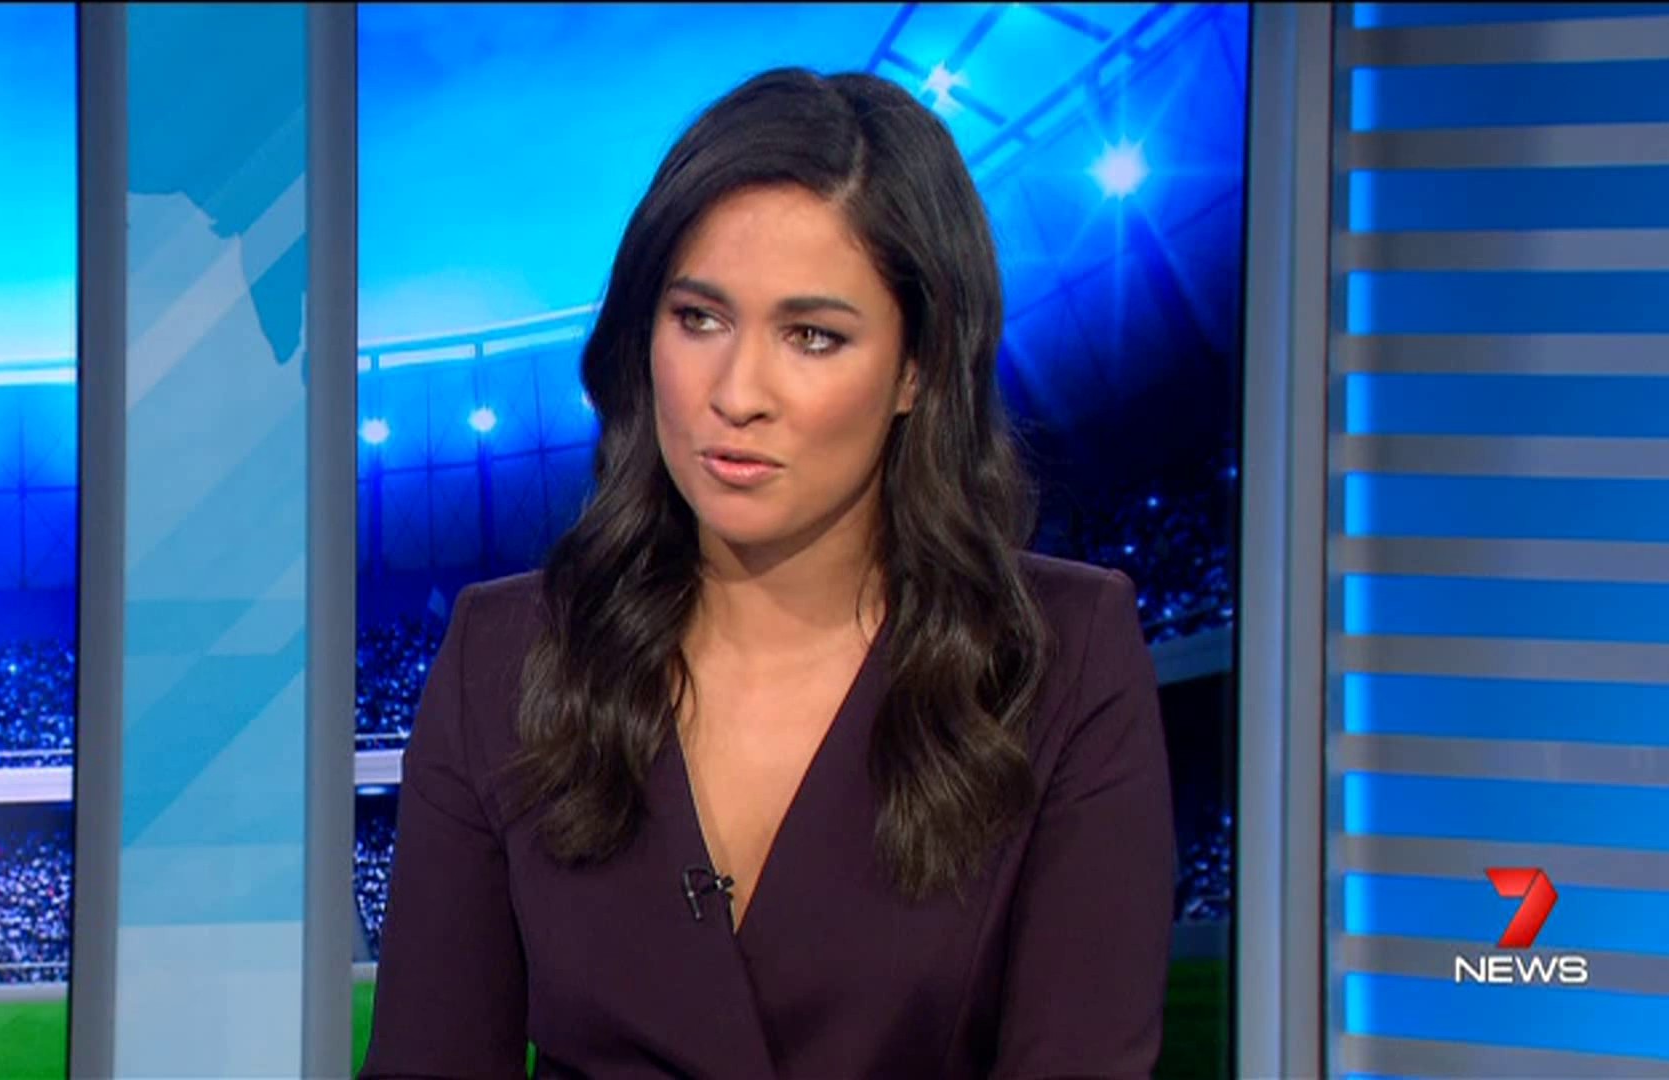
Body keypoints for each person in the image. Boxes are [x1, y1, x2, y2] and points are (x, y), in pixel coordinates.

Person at [360, 66, 1175, 1080]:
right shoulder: (504, 658)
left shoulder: (1063, 659)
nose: (736, 392)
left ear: (917, 368)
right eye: (698, 318)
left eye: (812, 336)